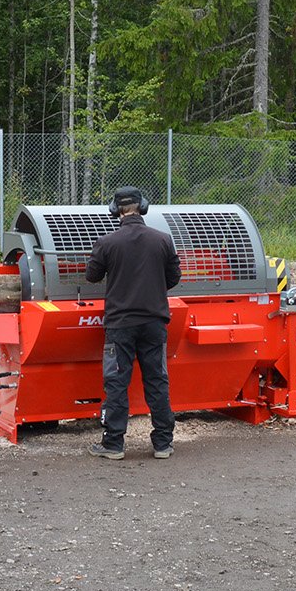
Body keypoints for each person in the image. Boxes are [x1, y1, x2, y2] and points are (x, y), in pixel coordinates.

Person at [83, 186, 182, 460]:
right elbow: (174, 277)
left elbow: (92, 277)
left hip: (120, 324)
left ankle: (113, 444)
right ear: (143, 206)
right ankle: (163, 443)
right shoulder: (162, 240)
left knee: (116, 382)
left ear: (116, 210)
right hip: (154, 324)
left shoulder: (107, 242)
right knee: (157, 380)